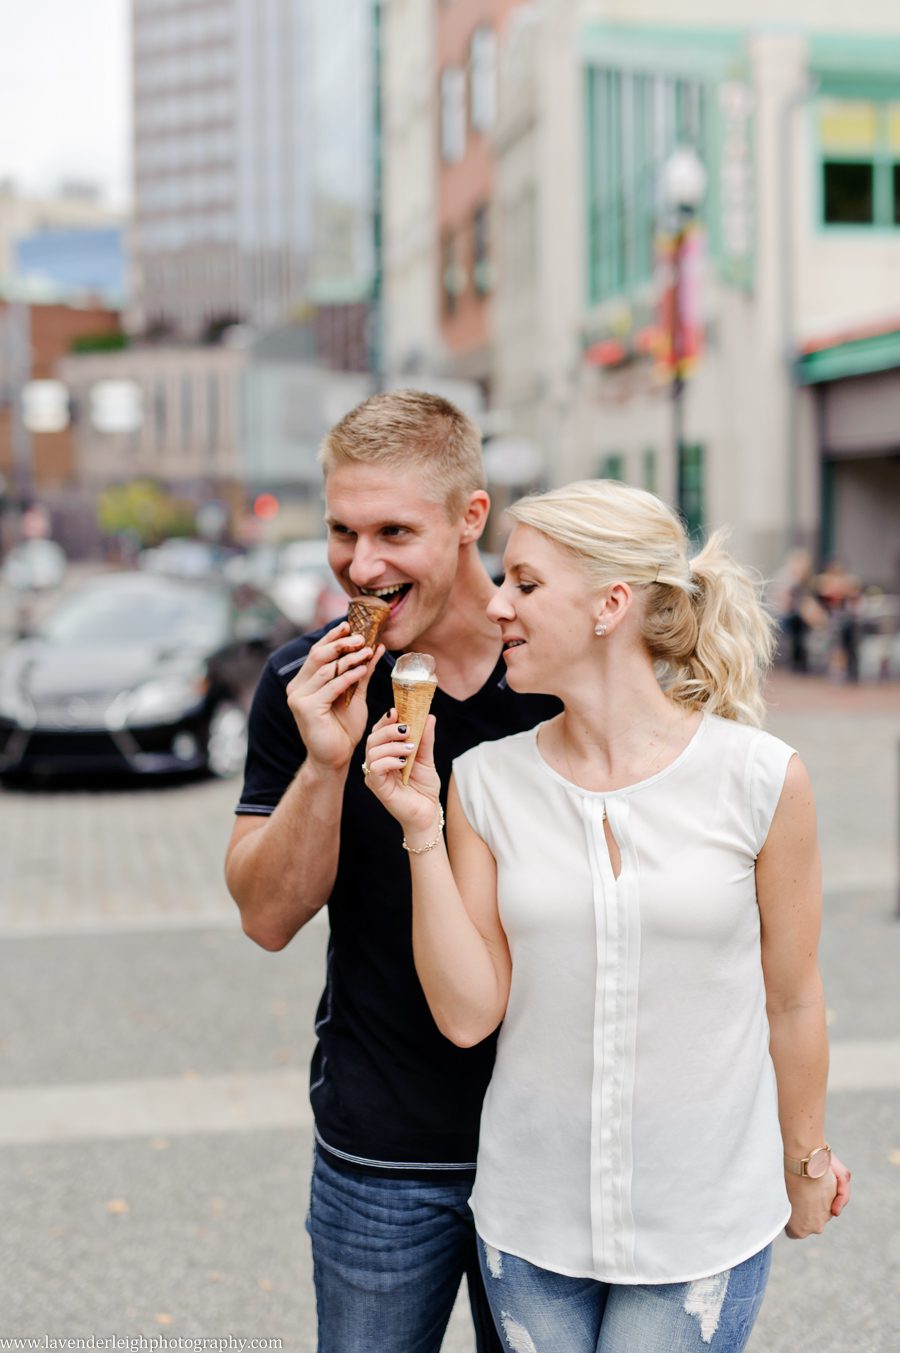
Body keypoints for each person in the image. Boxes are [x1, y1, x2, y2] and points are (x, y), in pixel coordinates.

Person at [364, 479, 851, 1353]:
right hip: (529, 1219)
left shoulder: (761, 777)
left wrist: (806, 1159)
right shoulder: (484, 782)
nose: (498, 604)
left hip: (700, 1220)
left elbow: (794, 998)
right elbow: (469, 1013)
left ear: (610, 604)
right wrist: (421, 829)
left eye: (524, 583)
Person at [224, 390, 558, 1353]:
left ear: (470, 518)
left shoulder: (560, 676)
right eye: (341, 529)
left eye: (392, 531)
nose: (360, 566)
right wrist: (327, 762)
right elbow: (265, 916)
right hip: (380, 1153)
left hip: (550, 1150)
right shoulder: (305, 680)